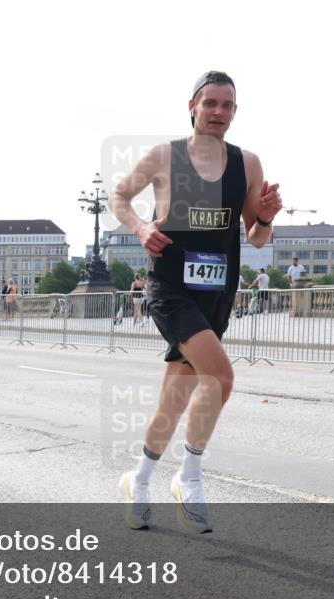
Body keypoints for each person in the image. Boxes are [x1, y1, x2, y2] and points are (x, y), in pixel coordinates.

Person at [109, 71, 282, 532]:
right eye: (211, 104)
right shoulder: (165, 155)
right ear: (192, 105)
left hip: (217, 292)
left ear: (235, 111)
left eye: (227, 105)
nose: (219, 112)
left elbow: (256, 238)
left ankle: (138, 479)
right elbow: (119, 196)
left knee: (174, 399)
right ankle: (190, 476)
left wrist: (264, 218)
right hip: (170, 288)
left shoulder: (248, 163)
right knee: (221, 378)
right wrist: (142, 229)